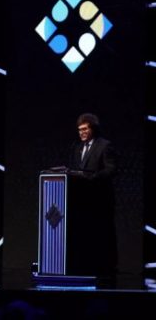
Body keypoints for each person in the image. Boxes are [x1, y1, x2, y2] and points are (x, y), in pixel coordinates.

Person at [66, 113, 117, 279]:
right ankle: (84, 267)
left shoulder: (105, 145)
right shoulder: (76, 147)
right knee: (84, 235)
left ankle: (106, 270)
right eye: (79, 130)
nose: (81, 132)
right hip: (81, 201)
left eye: (85, 129)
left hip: (100, 199)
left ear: (93, 129)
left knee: (102, 234)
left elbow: (111, 170)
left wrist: (92, 177)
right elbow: (75, 170)